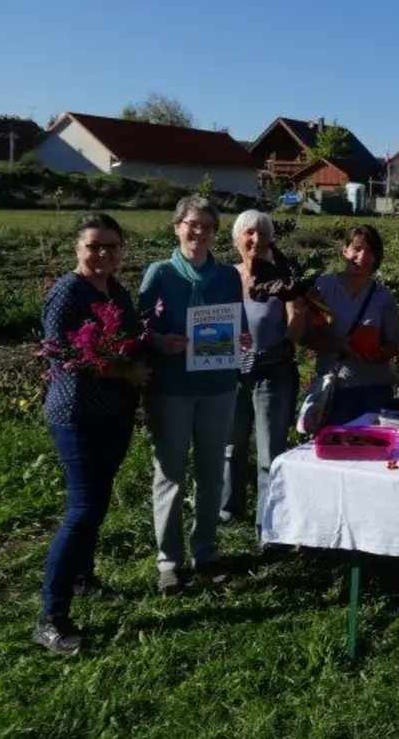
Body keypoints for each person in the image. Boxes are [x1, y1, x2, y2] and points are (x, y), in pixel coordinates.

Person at [32, 213, 151, 653]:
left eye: (111, 246)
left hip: (115, 412)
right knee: (82, 508)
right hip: (77, 414)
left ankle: (83, 578)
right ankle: (50, 616)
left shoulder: (116, 291)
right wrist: (125, 369)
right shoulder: (67, 293)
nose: (103, 254)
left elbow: (133, 336)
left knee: (97, 501)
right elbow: (65, 356)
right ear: (76, 248)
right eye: (94, 246)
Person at [138, 195, 246, 594]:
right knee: (170, 474)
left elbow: (235, 324)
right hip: (173, 389)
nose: (199, 232)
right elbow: (140, 329)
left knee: (211, 471)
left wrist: (240, 338)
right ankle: (169, 561)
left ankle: (206, 552)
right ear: (177, 226)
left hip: (218, 387)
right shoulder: (160, 274)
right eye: (192, 224)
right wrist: (160, 341)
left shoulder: (228, 277)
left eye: (207, 226)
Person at [222, 209, 306, 526]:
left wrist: (297, 309)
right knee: (231, 446)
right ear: (237, 239)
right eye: (249, 233)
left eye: (263, 234)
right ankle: (228, 511)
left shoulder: (281, 278)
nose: (256, 239)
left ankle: (268, 521)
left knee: (270, 453)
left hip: (272, 371)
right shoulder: (226, 277)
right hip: (233, 373)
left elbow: (296, 335)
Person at [309, 225, 399, 427]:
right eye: (357, 249)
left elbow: (395, 344)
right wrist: (340, 345)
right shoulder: (323, 287)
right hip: (334, 388)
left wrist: (378, 354)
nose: (362, 256)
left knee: (371, 451)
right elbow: (309, 334)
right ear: (345, 250)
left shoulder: (382, 297)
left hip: (373, 390)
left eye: (370, 252)